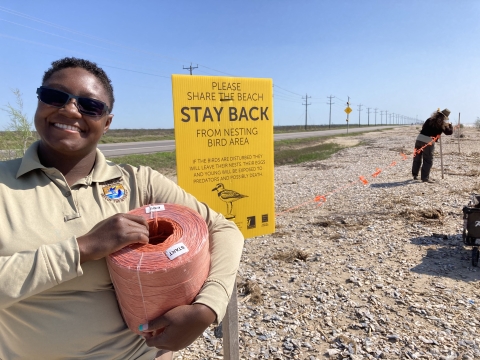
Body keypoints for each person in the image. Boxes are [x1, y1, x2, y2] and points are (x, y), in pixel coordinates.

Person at [0, 57, 244, 360]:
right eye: (55, 97)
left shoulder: (140, 183)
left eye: (90, 106)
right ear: (38, 102)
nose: (69, 110)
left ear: (107, 122)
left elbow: (223, 229)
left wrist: (208, 308)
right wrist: (83, 248)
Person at [412, 108, 453, 183]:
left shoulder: (429, 119)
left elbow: (423, 127)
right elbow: (449, 132)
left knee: (417, 157)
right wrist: (450, 125)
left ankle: (415, 175)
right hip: (428, 141)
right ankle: (425, 178)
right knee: (428, 160)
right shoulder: (442, 124)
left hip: (419, 138)